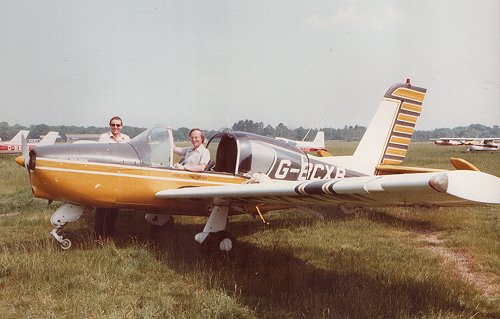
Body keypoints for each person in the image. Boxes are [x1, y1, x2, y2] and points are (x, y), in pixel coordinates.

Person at [95, 116, 129, 237]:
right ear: (110, 125)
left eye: (118, 125)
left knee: (114, 205)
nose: (115, 127)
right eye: (113, 125)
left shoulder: (126, 139)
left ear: (121, 126)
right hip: (106, 173)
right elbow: (100, 154)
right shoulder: (104, 137)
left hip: (119, 175)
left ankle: (110, 231)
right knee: (102, 205)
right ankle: (98, 233)